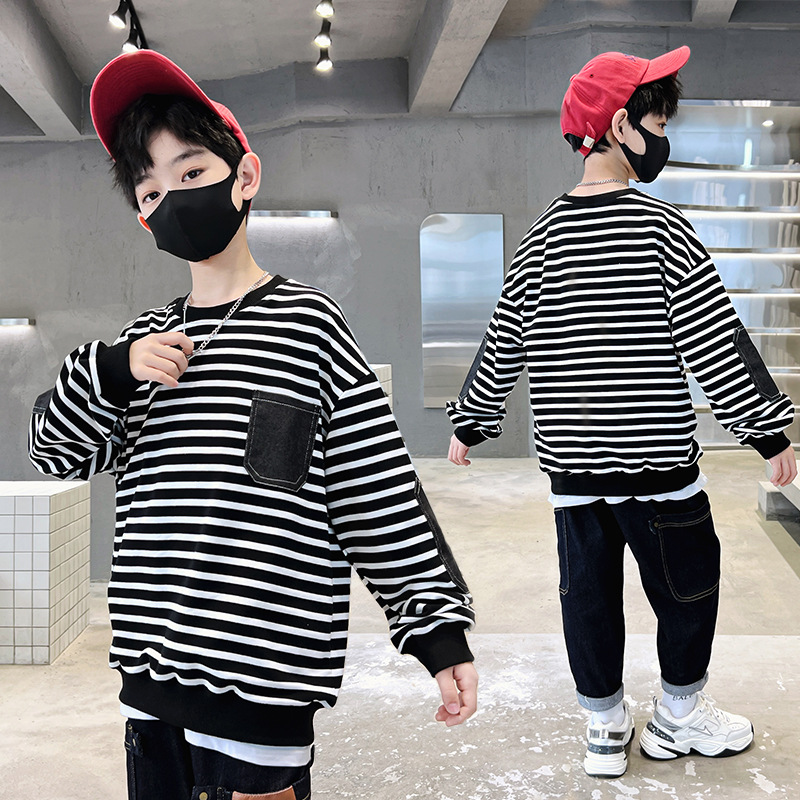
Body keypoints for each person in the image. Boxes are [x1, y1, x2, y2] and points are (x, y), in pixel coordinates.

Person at [29, 49, 477, 800]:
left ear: (245, 177)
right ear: (143, 219)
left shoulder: (308, 327)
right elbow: (53, 452)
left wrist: (436, 632)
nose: (172, 198)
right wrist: (110, 369)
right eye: (151, 191)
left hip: (264, 692)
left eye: (191, 173)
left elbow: (375, 491)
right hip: (151, 689)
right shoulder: (140, 348)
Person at [445, 45, 796, 779]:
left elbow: (504, 336)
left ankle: (604, 726)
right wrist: (767, 432)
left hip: (574, 474)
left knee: (589, 601)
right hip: (657, 470)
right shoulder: (660, 229)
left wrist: (471, 423)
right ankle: (678, 716)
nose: (663, 139)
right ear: (617, 127)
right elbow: (714, 339)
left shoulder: (542, 237)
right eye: (658, 123)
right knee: (688, 588)